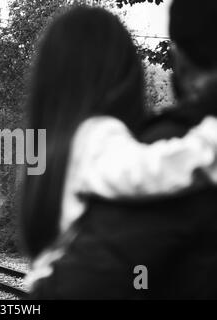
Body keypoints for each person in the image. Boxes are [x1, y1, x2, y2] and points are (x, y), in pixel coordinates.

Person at [21, 4, 217, 299]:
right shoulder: (100, 134)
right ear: (122, 71)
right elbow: (143, 173)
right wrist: (204, 145)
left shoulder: (54, 145)